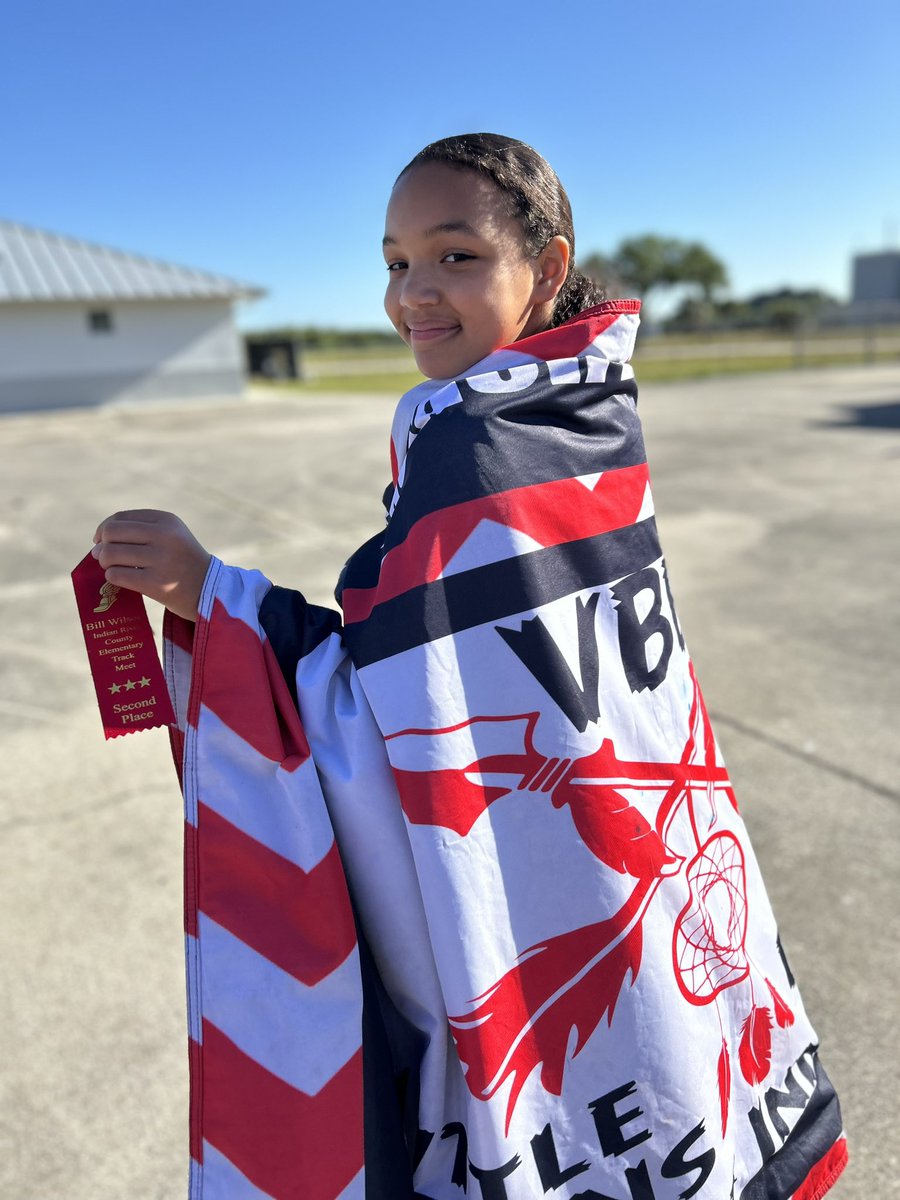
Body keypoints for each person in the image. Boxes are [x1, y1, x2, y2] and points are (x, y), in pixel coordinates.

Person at [92, 134, 847, 1200]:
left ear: (544, 266)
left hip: (556, 894)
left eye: (455, 256)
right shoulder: (587, 410)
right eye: (397, 262)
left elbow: (379, 716)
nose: (414, 295)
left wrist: (218, 597)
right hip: (650, 881)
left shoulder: (475, 452)